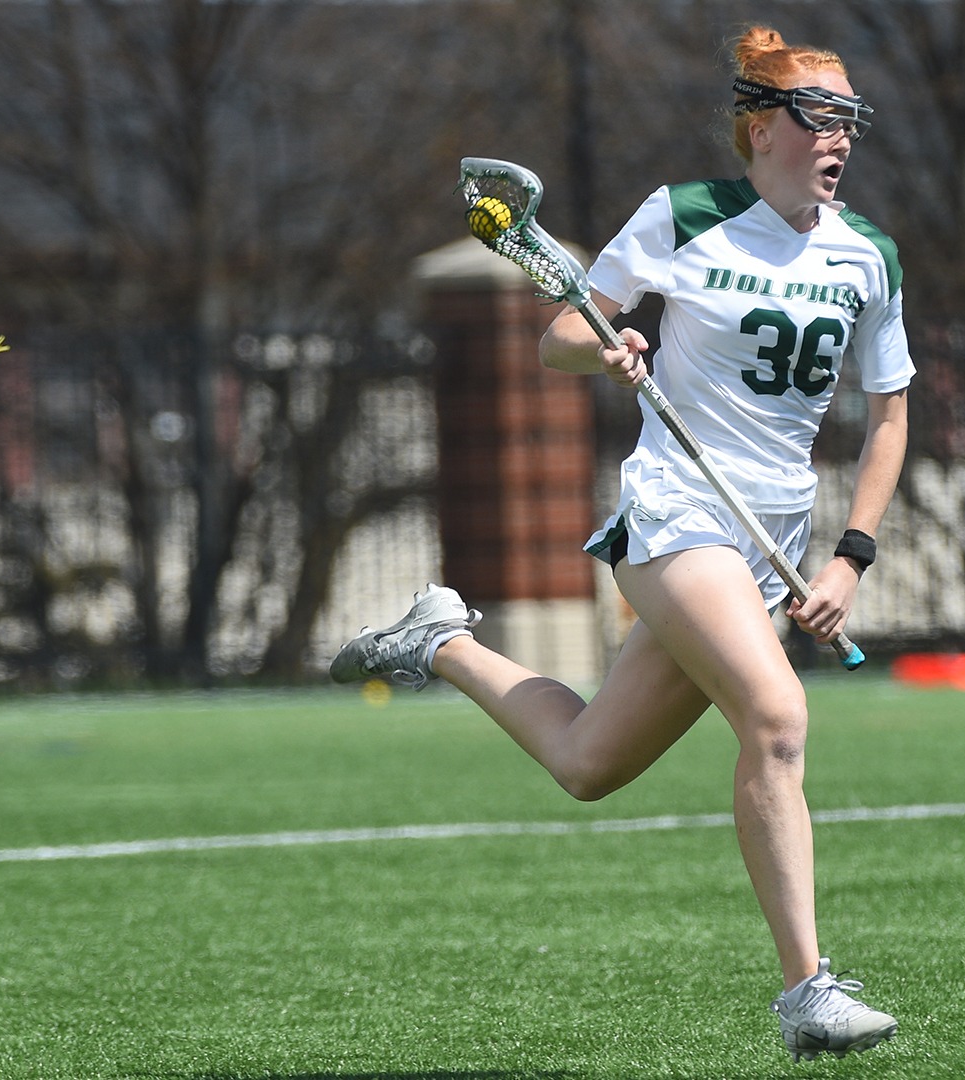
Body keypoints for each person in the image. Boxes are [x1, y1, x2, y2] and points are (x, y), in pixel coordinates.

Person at [333, 27, 910, 1061]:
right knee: (776, 718)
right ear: (763, 123)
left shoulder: (868, 255)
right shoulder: (686, 215)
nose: (842, 139)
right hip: (678, 515)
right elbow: (561, 334)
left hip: (774, 532)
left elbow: (891, 417)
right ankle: (807, 995)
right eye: (824, 116)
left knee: (589, 762)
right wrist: (612, 350)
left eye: (851, 120)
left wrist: (847, 558)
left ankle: (441, 642)